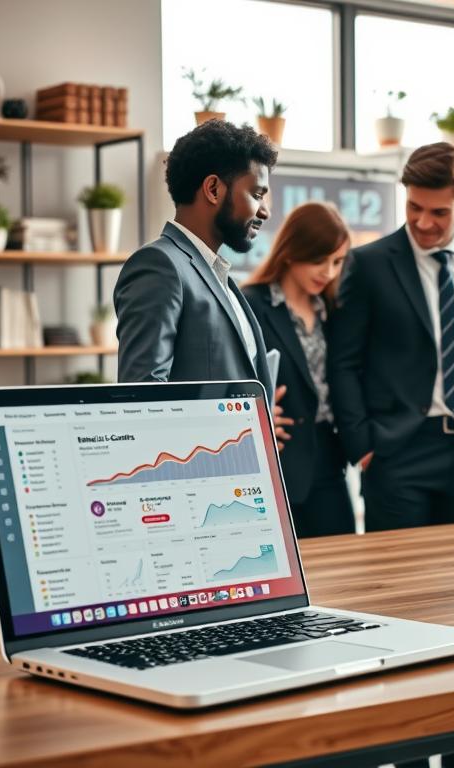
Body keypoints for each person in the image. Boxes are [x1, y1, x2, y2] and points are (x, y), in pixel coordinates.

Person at [329, 141, 454, 533]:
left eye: (439, 212)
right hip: (398, 451)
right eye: (414, 207)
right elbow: (343, 361)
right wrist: (362, 445)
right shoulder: (369, 265)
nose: (423, 222)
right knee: (396, 584)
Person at [114, 119, 279, 403]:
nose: (264, 212)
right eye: (256, 194)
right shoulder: (159, 265)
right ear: (213, 189)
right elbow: (142, 396)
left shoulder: (220, 277)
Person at [242, 202, 354, 538]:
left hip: (330, 457)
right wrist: (255, 416)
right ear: (292, 253)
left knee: (342, 568)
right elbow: (231, 378)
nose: (329, 272)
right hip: (280, 459)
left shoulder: (333, 308)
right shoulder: (253, 304)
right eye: (320, 261)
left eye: (337, 262)